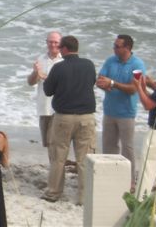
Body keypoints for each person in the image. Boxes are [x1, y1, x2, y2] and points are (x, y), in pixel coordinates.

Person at [42, 35, 96, 204]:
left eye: (60, 47)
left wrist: (45, 78)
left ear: (64, 49)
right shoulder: (89, 65)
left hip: (64, 117)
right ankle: (84, 197)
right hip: (86, 117)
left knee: (58, 157)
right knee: (84, 158)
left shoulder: (59, 67)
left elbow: (48, 91)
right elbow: (91, 83)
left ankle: (54, 192)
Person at [96, 34, 146, 189]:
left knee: (127, 148)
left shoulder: (137, 65)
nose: (114, 49)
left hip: (127, 113)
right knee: (109, 147)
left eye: (117, 46)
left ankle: (130, 181)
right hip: (109, 111)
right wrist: (103, 84)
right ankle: (110, 177)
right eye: (114, 45)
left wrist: (112, 83)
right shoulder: (110, 61)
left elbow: (133, 89)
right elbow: (100, 79)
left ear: (127, 48)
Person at [26, 31, 62, 153]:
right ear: (46, 42)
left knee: (58, 143)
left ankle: (58, 165)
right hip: (44, 107)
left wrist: (46, 77)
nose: (53, 45)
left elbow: (66, 82)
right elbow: (31, 82)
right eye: (50, 42)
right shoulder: (41, 59)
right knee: (47, 143)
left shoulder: (64, 60)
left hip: (60, 108)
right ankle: (54, 164)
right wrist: (35, 73)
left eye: (56, 42)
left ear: (61, 43)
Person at [132, 73, 156, 196]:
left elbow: (148, 105)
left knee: (147, 172)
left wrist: (138, 87)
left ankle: (141, 202)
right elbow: (154, 101)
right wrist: (143, 88)